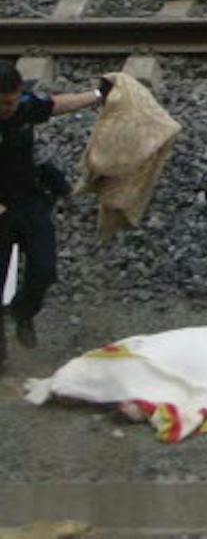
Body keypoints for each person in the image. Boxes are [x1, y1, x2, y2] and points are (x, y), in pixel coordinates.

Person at [0, 62, 105, 356]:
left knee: (44, 269)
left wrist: (97, 94)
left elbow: (56, 105)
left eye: (12, 101)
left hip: (28, 201)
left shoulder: (22, 107)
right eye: (4, 104)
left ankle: (23, 312)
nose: (9, 109)